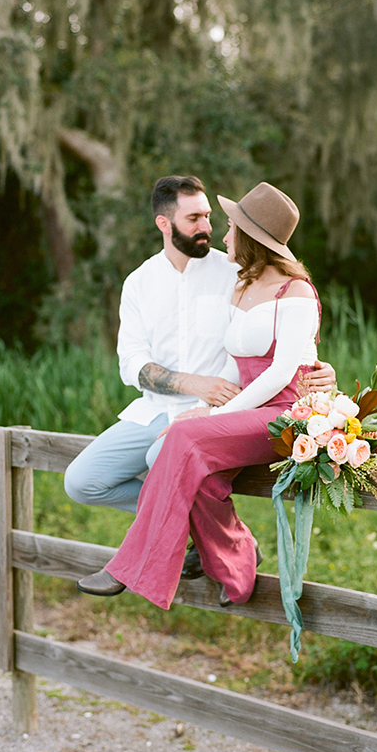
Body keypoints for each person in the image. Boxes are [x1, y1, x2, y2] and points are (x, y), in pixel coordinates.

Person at [76, 182, 323, 609]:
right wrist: (206, 405)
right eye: (199, 218)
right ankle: (238, 573)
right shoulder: (236, 283)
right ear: (164, 222)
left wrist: (212, 414)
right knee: (198, 481)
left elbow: (286, 368)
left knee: (179, 443)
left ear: (253, 237)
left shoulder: (286, 288)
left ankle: (129, 567)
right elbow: (228, 358)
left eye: (223, 223)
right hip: (185, 409)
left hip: (278, 410)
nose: (217, 231)